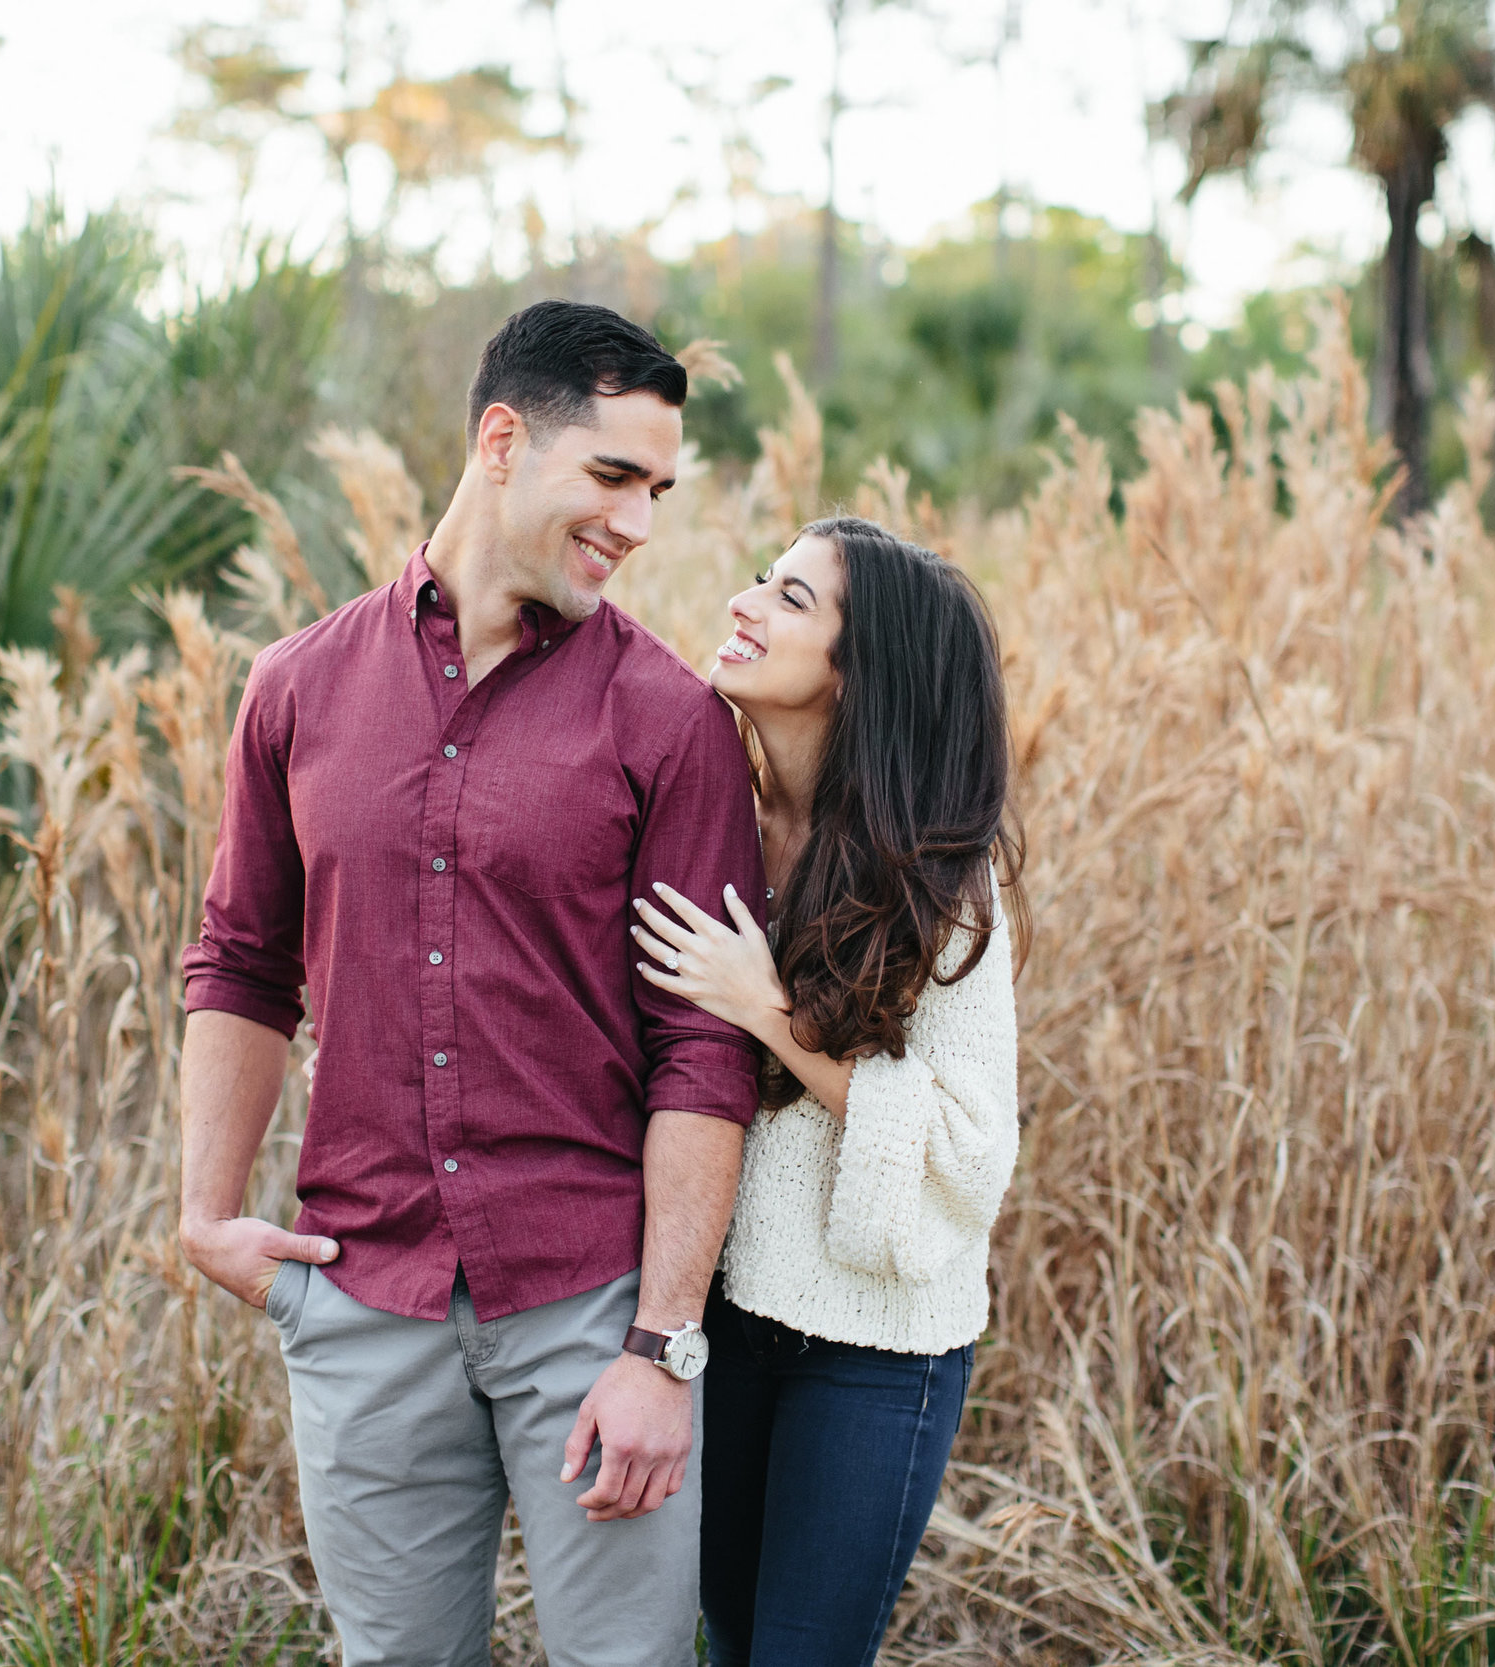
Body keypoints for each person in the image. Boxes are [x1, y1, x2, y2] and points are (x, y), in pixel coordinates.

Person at [176, 300, 766, 1667]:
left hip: (588, 1310)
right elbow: (243, 960)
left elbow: (702, 1048)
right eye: (613, 476)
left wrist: (661, 1344)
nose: (637, 523)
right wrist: (206, 1211)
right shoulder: (295, 688)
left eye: (659, 490)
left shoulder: (672, 721)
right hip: (361, 1301)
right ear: (502, 439)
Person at [627, 516, 1025, 1667]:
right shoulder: (715, 825)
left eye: (791, 599)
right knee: (730, 1640)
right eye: (762, 577)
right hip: (728, 1320)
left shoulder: (944, 876)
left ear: (860, 673)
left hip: (878, 1344)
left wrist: (771, 1013)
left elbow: (967, 1146)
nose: (746, 602)